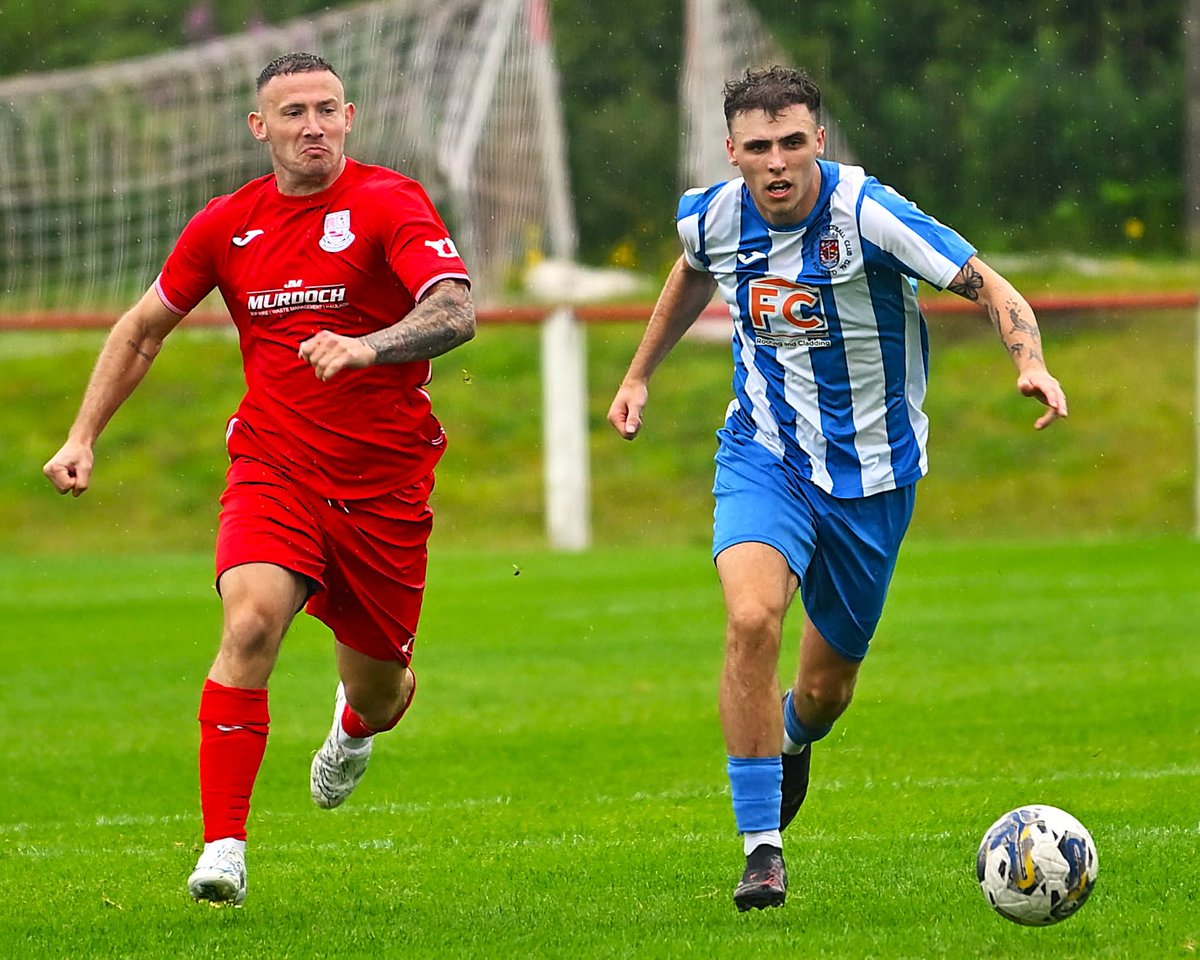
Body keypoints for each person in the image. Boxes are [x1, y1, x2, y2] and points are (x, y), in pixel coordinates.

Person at [606, 65, 1068, 912]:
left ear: (818, 140)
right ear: (733, 151)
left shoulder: (868, 216)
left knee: (824, 694)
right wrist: (639, 376)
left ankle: (791, 736)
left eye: (791, 143)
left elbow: (987, 283)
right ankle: (761, 850)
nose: (776, 163)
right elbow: (690, 270)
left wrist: (1029, 362)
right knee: (751, 619)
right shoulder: (716, 215)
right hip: (765, 453)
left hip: (875, 477)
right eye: (757, 148)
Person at [43, 52, 475, 906]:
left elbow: (456, 309)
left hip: (385, 488)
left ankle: (354, 728)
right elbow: (141, 331)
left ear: (349, 117)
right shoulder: (225, 224)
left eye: (324, 110)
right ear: (260, 127)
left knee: (382, 692)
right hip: (273, 468)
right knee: (248, 627)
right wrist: (82, 434)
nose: (310, 127)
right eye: (291, 114)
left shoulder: (390, 203)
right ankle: (223, 849)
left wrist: (368, 345)